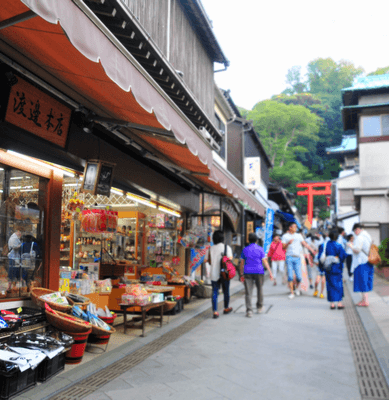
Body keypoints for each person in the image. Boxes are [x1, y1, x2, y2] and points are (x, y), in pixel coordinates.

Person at [240, 233, 273, 317]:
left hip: (247, 272)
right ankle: (259, 307)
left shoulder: (245, 249)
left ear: (248, 240)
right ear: (256, 240)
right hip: (259, 271)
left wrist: (241, 274)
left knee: (248, 292)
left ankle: (249, 311)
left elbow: (242, 263)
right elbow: (265, 261)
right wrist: (270, 272)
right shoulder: (260, 249)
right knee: (260, 289)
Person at [282, 222, 316, 299]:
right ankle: (292, 293)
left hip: (297, 258)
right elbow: (283, 247)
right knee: (290, 276)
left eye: (296, 227)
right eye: (294, 227)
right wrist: (288, 243)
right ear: (290, 228)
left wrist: (312, 250)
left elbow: (305, 244)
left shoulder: (298, 236)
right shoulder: (285, 236)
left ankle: (297, 288)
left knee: (299, 277)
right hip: (289, 257)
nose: (296, 228)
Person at [206, 230, 233, 319]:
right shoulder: (227, 247)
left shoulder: (210, 248)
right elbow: (230, 259)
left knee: (214, 291)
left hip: (214, 273)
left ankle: (215, 311)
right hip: (224, 273)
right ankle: (226, 308)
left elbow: (207, 261)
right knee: (226, 291)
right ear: (222, 238)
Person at [349, 223, 373, 307]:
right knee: (366, 281)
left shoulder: (359, 237)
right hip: (368, 261)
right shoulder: (367, 235)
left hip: (361, 262)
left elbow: (357, 250)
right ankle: (364, 299)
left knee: (362, 281)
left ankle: (365, 301)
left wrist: (351, 246)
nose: (354, 233)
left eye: (354, 231)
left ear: (357, 229)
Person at [323, 229, 347, 310]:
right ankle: (339, 303)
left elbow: (325, 254)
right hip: (337, 268)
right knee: (339, 285)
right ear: (337, 237)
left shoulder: (327, 244)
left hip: (329, 267)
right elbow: (343, 255)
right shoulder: (338, 245)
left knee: (330, 285)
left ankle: (332, 304)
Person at [314, 231, 329, 299]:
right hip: (319, 269)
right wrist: (318, 262)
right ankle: (316, 290)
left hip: (325, 269)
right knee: (317, 281)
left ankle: (321, 293)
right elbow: (315, 262)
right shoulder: (318, 255)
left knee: (323, 281)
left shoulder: (328, 254)